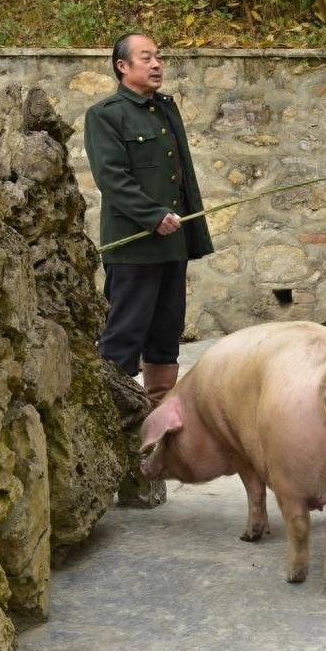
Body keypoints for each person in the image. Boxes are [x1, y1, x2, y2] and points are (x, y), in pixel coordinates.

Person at [84, 32, 213, 405]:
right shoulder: (105, 115)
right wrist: (153, 216)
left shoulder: (165, 109)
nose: (157, 64)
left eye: (158, 57)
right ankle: (115, 417)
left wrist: (187, 230)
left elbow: (180, 175)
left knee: (166, 334)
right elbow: (112, 178)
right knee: (124, 335)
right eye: (146, 58)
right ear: (123, 66)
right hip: (134, 246)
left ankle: (158, 416)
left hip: (172, 243)